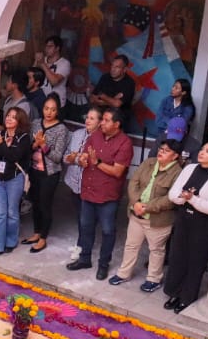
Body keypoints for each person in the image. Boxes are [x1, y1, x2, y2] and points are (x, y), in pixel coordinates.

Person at [163, 142, 208, 313]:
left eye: (207, 151)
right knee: (177, 256)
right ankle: (174, 293)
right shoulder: (189, 168)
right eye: (202, 149)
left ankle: (187, 297)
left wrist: (192, 199)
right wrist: (184, 198)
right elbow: (173, 194)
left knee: (195, 260)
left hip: (203, 224)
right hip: (183, 218)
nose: (201, 153)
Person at [68, 107, 132, 279]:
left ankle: (103, 264)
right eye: (102, 119)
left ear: (116, 124)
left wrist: (97, 162)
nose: (102, 123)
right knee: (86, 227)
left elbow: (118, 172)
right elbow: (85, 158)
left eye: (106, 120)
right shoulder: (94, 136)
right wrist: (81, 159)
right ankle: (84, 259)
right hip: (88, 191)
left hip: (107, 196)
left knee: (107, 231)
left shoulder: (125, 143)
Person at [110, 139, 182, 291]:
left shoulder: (178, 173)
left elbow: (171, 198)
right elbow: (133, 182)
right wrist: (135, 202)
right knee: (131, 245)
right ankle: (124, 273)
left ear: (175, 156)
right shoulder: (148, 162)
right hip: (136, 214)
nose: (161, 152)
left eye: (166, 151)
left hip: (157, 220)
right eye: (161, 149)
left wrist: (147, 207)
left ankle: (154, 279)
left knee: (156, 250)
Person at [22, 93, 68, 252]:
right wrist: (35, 144)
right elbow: (27, 148)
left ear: (58, 112)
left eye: (53, 110)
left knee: (44, 204)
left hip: (50, 174)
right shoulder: (35, 124)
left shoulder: (61, 129)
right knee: (34, 202)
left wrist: (43, 145)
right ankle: (36, 232)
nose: (49, 112)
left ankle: (43, 238)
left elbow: (57, 157)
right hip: (34, 170)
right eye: (46, 108)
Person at [0, 106, 31, 258]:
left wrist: (1, 145)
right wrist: (2, 146)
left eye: (13, 116)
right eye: (8, 116)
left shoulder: (23, 137)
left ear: (19, 121)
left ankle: (10, 242)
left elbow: (14, 157)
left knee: (12, 212)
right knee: (0, 213)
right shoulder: (0, 133)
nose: (9, 118)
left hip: (15, 178)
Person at [61, 107, 100, 239]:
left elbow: (92, 162)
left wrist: (75, 159)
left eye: (92, 118)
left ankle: (83, 245)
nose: (88, 120)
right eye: (87, 117)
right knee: (80, 214)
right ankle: (83, 242)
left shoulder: (101, 139)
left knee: (87, 217)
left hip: (90, 185)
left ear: (100, 122)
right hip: (74, 182)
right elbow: (65, 157)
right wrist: (71, 159)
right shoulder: (77, 134)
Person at [89, 55, 135, 126]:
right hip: (100, 117)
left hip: (117, 122)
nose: (113, 69)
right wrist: (113, 100)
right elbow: (92, 99)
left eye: (117, 67)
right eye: (112, 66)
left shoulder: (129, 83)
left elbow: (117, 104)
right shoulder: (105, 77)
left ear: (124, 69)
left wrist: (102, 96)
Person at [33, 36, 70, 106]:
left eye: (50, 46)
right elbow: (32, 76)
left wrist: (42, 64)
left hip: (56, 103)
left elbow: (54, 81)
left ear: (57, 48)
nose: (46, 49)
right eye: (46, 46)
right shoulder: (43, 59)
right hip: (40, 99)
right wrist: (36, 61)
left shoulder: (65, 63)